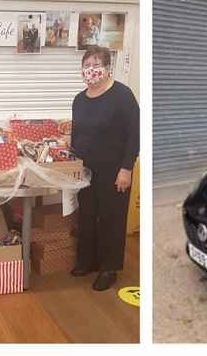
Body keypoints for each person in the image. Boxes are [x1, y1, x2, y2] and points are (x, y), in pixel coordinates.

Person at [70, 46, 139, 290]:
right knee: (87, 215)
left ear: (108, 68)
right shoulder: (79, 100)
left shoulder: (122, 95)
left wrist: (126, 168)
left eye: (96, 65)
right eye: (86, 66)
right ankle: (87, 261)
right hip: (86, 170)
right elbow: (76, 135)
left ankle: (109, 268)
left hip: (114, 169)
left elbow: (134, 134)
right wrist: (72, 164)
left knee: (111, 218)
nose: (91, 70)